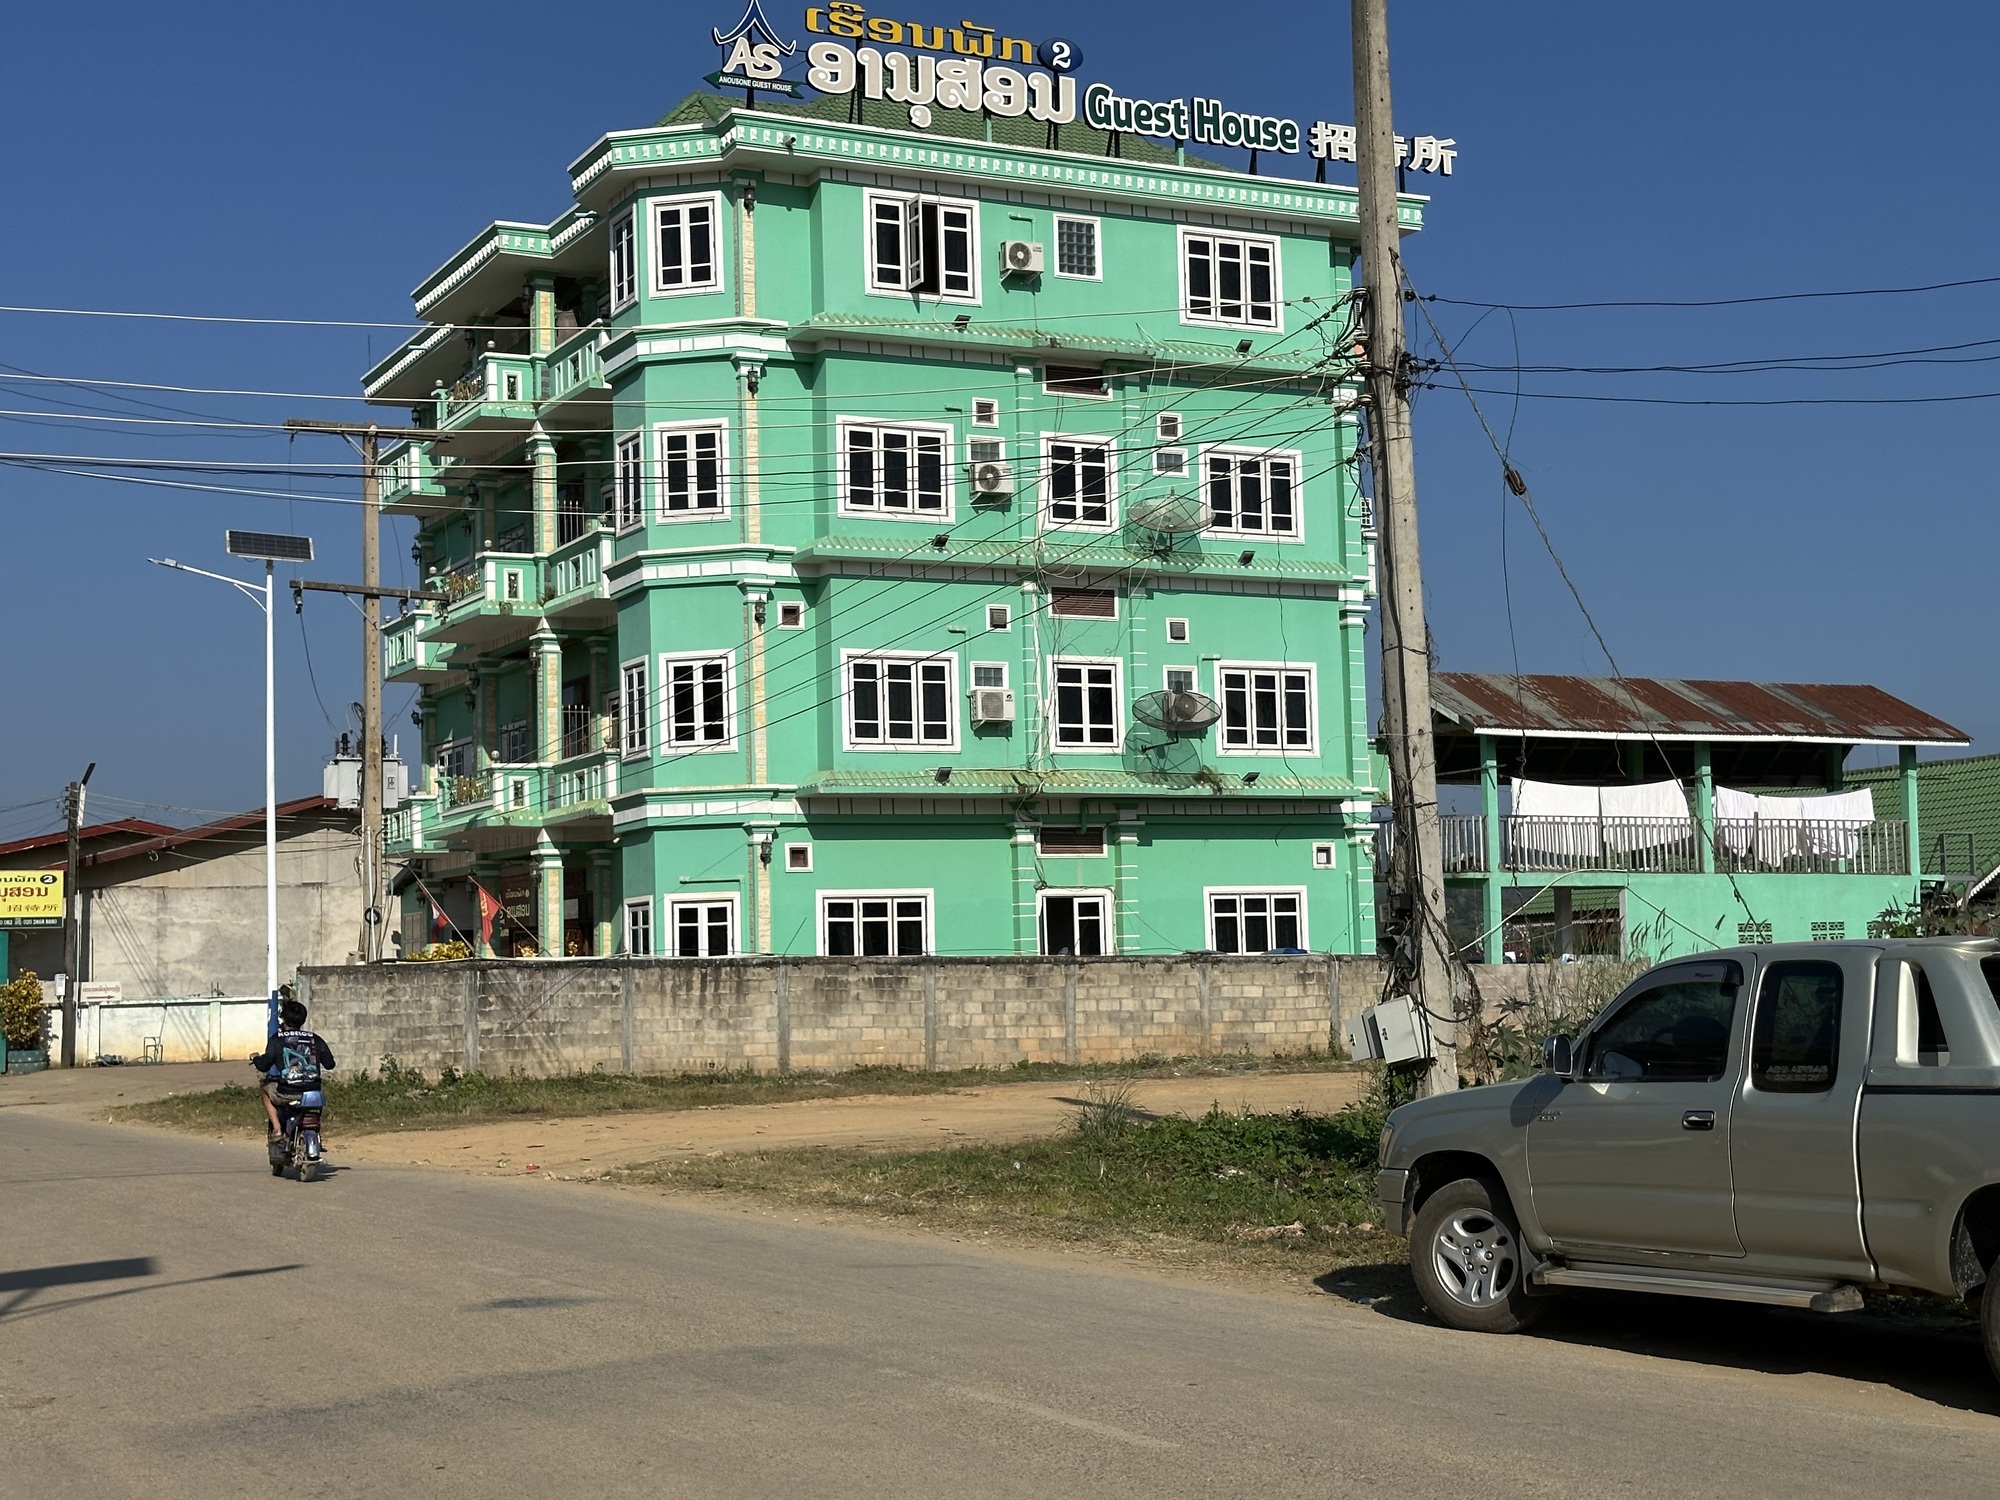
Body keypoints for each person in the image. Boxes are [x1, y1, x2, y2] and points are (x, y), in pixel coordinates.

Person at [248, 998, 336, 1140]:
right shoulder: (315, 1039)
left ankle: (277, 1129)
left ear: (283, 1019)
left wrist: (255, 1058)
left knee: (265, 1089)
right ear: (303, 1019)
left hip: (286, 1092)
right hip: (313, 1092)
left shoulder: (277, 1039)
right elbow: (330, 1064)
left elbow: (263, 1065)